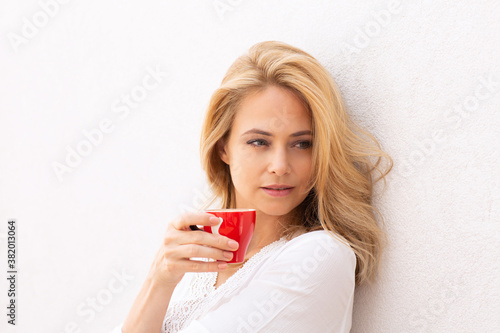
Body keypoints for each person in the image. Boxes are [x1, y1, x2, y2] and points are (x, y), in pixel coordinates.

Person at [110, 40, 392, 333]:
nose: (280, 165)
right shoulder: (191, 262)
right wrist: (159, 279)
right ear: (223, 147)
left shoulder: (320, 257)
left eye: (302, 144)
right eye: (259, 141)